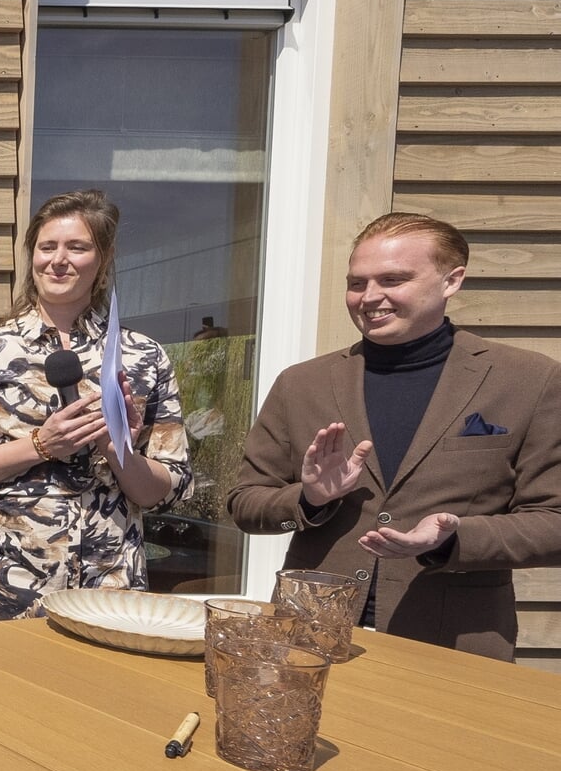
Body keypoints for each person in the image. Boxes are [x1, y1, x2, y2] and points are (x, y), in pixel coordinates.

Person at [228, 213, 561, 661]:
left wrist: (453, 538)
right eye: (357, 282)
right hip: (307, 638)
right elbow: (245, 505)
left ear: (452, 280)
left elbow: (553, 521)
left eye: (393, 279)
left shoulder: (528, 380)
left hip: (453, 641)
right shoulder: (301, 384)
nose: (370, 297)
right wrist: (309, 501)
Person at [0, 189, 192, 624]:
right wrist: (40, 445)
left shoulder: (142, 357)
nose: (58, 260)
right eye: (47, 247)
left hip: (105, 587)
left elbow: (167, 488)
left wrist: (115, 445)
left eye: (77, 247)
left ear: (103, 257)